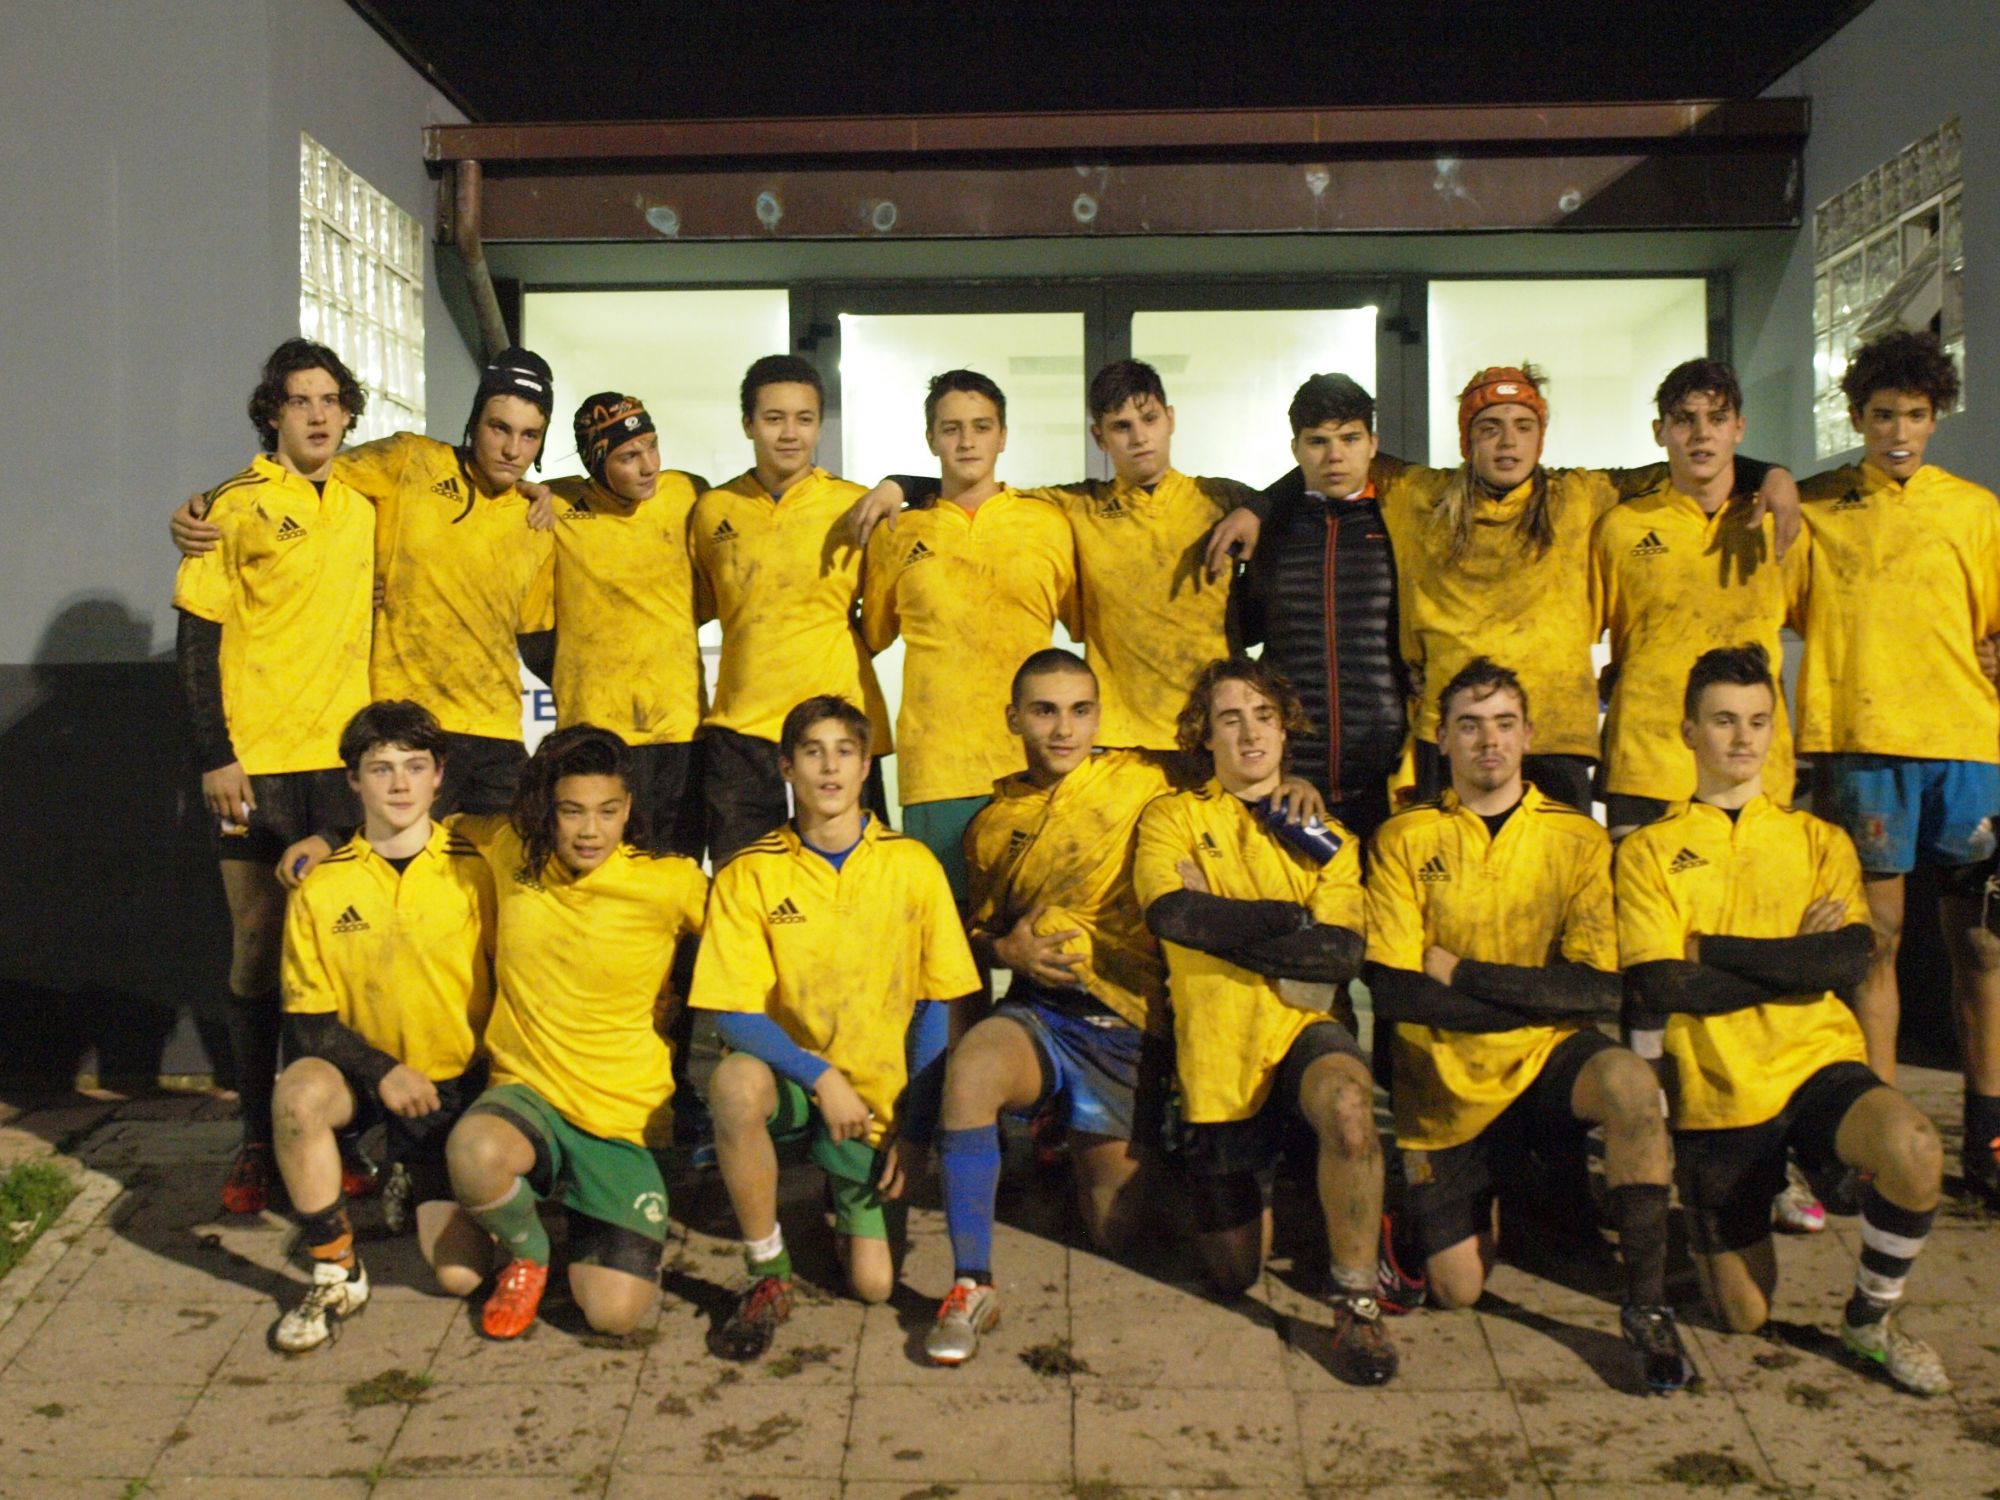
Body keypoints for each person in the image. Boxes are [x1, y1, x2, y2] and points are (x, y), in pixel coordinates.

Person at [1207, 364, 1799, 813]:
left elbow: (1690, 461)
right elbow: (1338, 453)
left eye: (1523, 427)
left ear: (1542, 437)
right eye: (1489, 428)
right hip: (1451, 732)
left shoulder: (1582, 496)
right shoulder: (1420, 496)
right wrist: (1260, 507)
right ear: (1467, 441)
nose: (1508, 443)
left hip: (1555, 735)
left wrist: (1770, 472)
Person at [1619, 644, 1950, 1394]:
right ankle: (1722, 1211)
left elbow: (1845, 964)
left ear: (1777, 732)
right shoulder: (1649, 851)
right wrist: (1790, 959)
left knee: (1916, 1145)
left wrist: (1716, 951)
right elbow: (1663, 982)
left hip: (1813, 1062)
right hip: (1719, 1092)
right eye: (1725, 721)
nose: (1743, 739)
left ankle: (1871, 1319)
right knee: (1741, 1313)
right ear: (1688, 732)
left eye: (1759, 722)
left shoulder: (1817, 840)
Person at [1363, 658, 1691, 1392]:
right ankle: (1416, 1211)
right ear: (1441, 739)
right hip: (1443, 1082)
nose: (1490, 742)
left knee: (1633, 1088)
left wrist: (1465, 973)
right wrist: (1533, 996)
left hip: (1545, 1062)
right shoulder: (1404, 838)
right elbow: (1395, 994)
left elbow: (1598, 990)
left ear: (1529, 736)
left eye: (1505, 724)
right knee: (1459, 1290)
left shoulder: (1576, 840)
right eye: (1471, 726)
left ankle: (1647, 1308)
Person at [1134, 657, 1397, 1387]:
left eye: (1264, 716)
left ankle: (1358, 1305)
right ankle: (1290, 1193)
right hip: (1218, 1060)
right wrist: (1291, 920)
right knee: (1231, 1273)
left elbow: (1340, 951)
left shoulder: (1327, 836)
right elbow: (1172, 913)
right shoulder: (1171, 817)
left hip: (1302, 1032)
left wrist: (1225, 919)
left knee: (1349, 1111)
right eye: (1230, 718)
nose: (1249, 733)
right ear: (1204, 737)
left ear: (1286, 732)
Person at [691, 695, 978, 1359]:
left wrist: (913, 1129)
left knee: (874, 1286)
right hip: (794, 1079)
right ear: (786, 768)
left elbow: (938, 1004)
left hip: (874, 1098)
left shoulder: (910, 866)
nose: (829, 768)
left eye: (845, 752)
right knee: (734, 1086)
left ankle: (841, 1177)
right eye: (813, 753)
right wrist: (820, 1078)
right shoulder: (750, 871)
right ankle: (766, 1269)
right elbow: (732, 1011)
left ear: (864, 767)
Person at [925, 648, 1179, 1365]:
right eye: (1043, 711)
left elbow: (1238, 789)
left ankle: (1087, 1141)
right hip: (1043, 1018)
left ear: (1100, 714)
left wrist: (1297, 795)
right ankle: (971, 1284)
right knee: (970, 1071)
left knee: (1119, 1232)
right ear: (1013, 719)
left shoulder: (1146, 783)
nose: (1063, 729)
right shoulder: (991, 823)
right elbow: (979, 929)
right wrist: (1009, 952)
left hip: (1131, 1025)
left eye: (1079, 710)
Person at [174, 347, 560, 817]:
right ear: (475, 421)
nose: (512, 448)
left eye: (529, 435)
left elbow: (538, 640)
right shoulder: (409, 462)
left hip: (499, 735)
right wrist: (201, 507)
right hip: (407, 729)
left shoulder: (538, 521)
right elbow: (297, 474)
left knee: (497, 886)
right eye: (499, 427)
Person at [1796, 330, 2000, 1202]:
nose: (1899, 432)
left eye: (1915, 415)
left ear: (1937, 415)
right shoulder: (1814, 507)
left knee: (1983, 947)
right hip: (1862, 743)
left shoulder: (1977, 510)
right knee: (1872, 947)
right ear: (1856, 418)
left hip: (1966, 749)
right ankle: (1875, 1134)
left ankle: (1988, 1136)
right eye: (1882, 415)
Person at [173, 337, 375, 1214]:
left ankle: (344, 1137)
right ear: (273, 414)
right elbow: (197, 639)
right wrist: (216, 753)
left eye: (331, 399)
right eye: (301, 401)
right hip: (254, 770)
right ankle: (257, 1141)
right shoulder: (230, 506)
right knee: (258, 953)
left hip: (340, 772)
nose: (319, 414)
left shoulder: (367, 502)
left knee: (344, 956)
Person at [444, 726, 708, 1338]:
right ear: (547, 809)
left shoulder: (669, 883)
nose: (590, 831)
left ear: (628, 811)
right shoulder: (510, 849)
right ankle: (529, 1252)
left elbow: (750, 932)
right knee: (473, 1152)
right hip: (527, 1094)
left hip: (623, 1118)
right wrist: (328, 842)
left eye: (607, 811)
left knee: (613, 1316)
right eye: (572, 812)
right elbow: (425, 829)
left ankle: (587, 1215)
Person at [845, 358, 1255, 752]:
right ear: (1100, 437)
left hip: (1216, 731)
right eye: (1121, 427)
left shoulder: (1223, 500)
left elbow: (1292, 496)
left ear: (1171, 419)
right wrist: (900, 484)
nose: (1139, 437)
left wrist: (1258, 509)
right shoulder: (1072, 508)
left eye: (1149, 420)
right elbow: (974, 485)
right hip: (1120, 740)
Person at [270, 700, 495, 1351]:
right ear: (353, 781)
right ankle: (335, 1269)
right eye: (380, 769)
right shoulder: (319, 883)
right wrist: (384, 1072)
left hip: (454, 1087)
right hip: (367, 1079)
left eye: (414, 767)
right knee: (298, 1094)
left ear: (438, 776)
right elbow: (309, 1022)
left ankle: (412, 1166)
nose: (398, 784)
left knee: (459, 1277)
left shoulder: (478, 869)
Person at [861, 370, 1079, 900]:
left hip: (1036, 766)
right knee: (948, 952)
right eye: (951, 428)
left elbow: (1087, 625)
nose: (966, 441)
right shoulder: (897, 533)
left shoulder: (1048, 523)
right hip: (936, 772)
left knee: (1044, 938)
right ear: (930, 438)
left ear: (1002, 436)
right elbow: (870, 636)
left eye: (981, 426)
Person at [1592, 359, 1810, 837]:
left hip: (1753, 769)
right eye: (1684, 420)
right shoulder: (1620, 528)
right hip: (1647, 765)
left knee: (1751, 911)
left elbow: (1835, 625)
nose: (1701, 435)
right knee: (1643, 910)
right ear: (1660, 431)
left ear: (1739, 429)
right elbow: (1574, 629)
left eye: (1716, 419)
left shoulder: (1781, 526)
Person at [694, 357, 891, 861]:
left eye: (804, 419)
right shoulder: (713, 510)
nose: (789, 433)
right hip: (740, 736)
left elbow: (881, 619)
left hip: (837, 733)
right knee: (743, 889)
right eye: (773, 418)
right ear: (747, 424)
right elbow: (701, 607)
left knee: (853, 891)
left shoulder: (856, 507)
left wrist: (901, 484)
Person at [531, 393, 710, 857]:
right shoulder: (556, 506)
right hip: (595, 734)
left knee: (677, 876)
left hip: (680, 730)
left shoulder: (690, 493)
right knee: (600, 881)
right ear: (596, 463)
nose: (648, 465)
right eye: (629, 456)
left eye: (652, 446)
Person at [1234, 373, 1405, 840]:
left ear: (1373, 444)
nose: (1334, 456)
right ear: (1295, 450)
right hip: (1291, 778)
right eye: (1318, 442)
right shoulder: (1269, 532)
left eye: (1350, 438)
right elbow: (1241, 638)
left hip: (1391, 778)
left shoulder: (1406, 522)